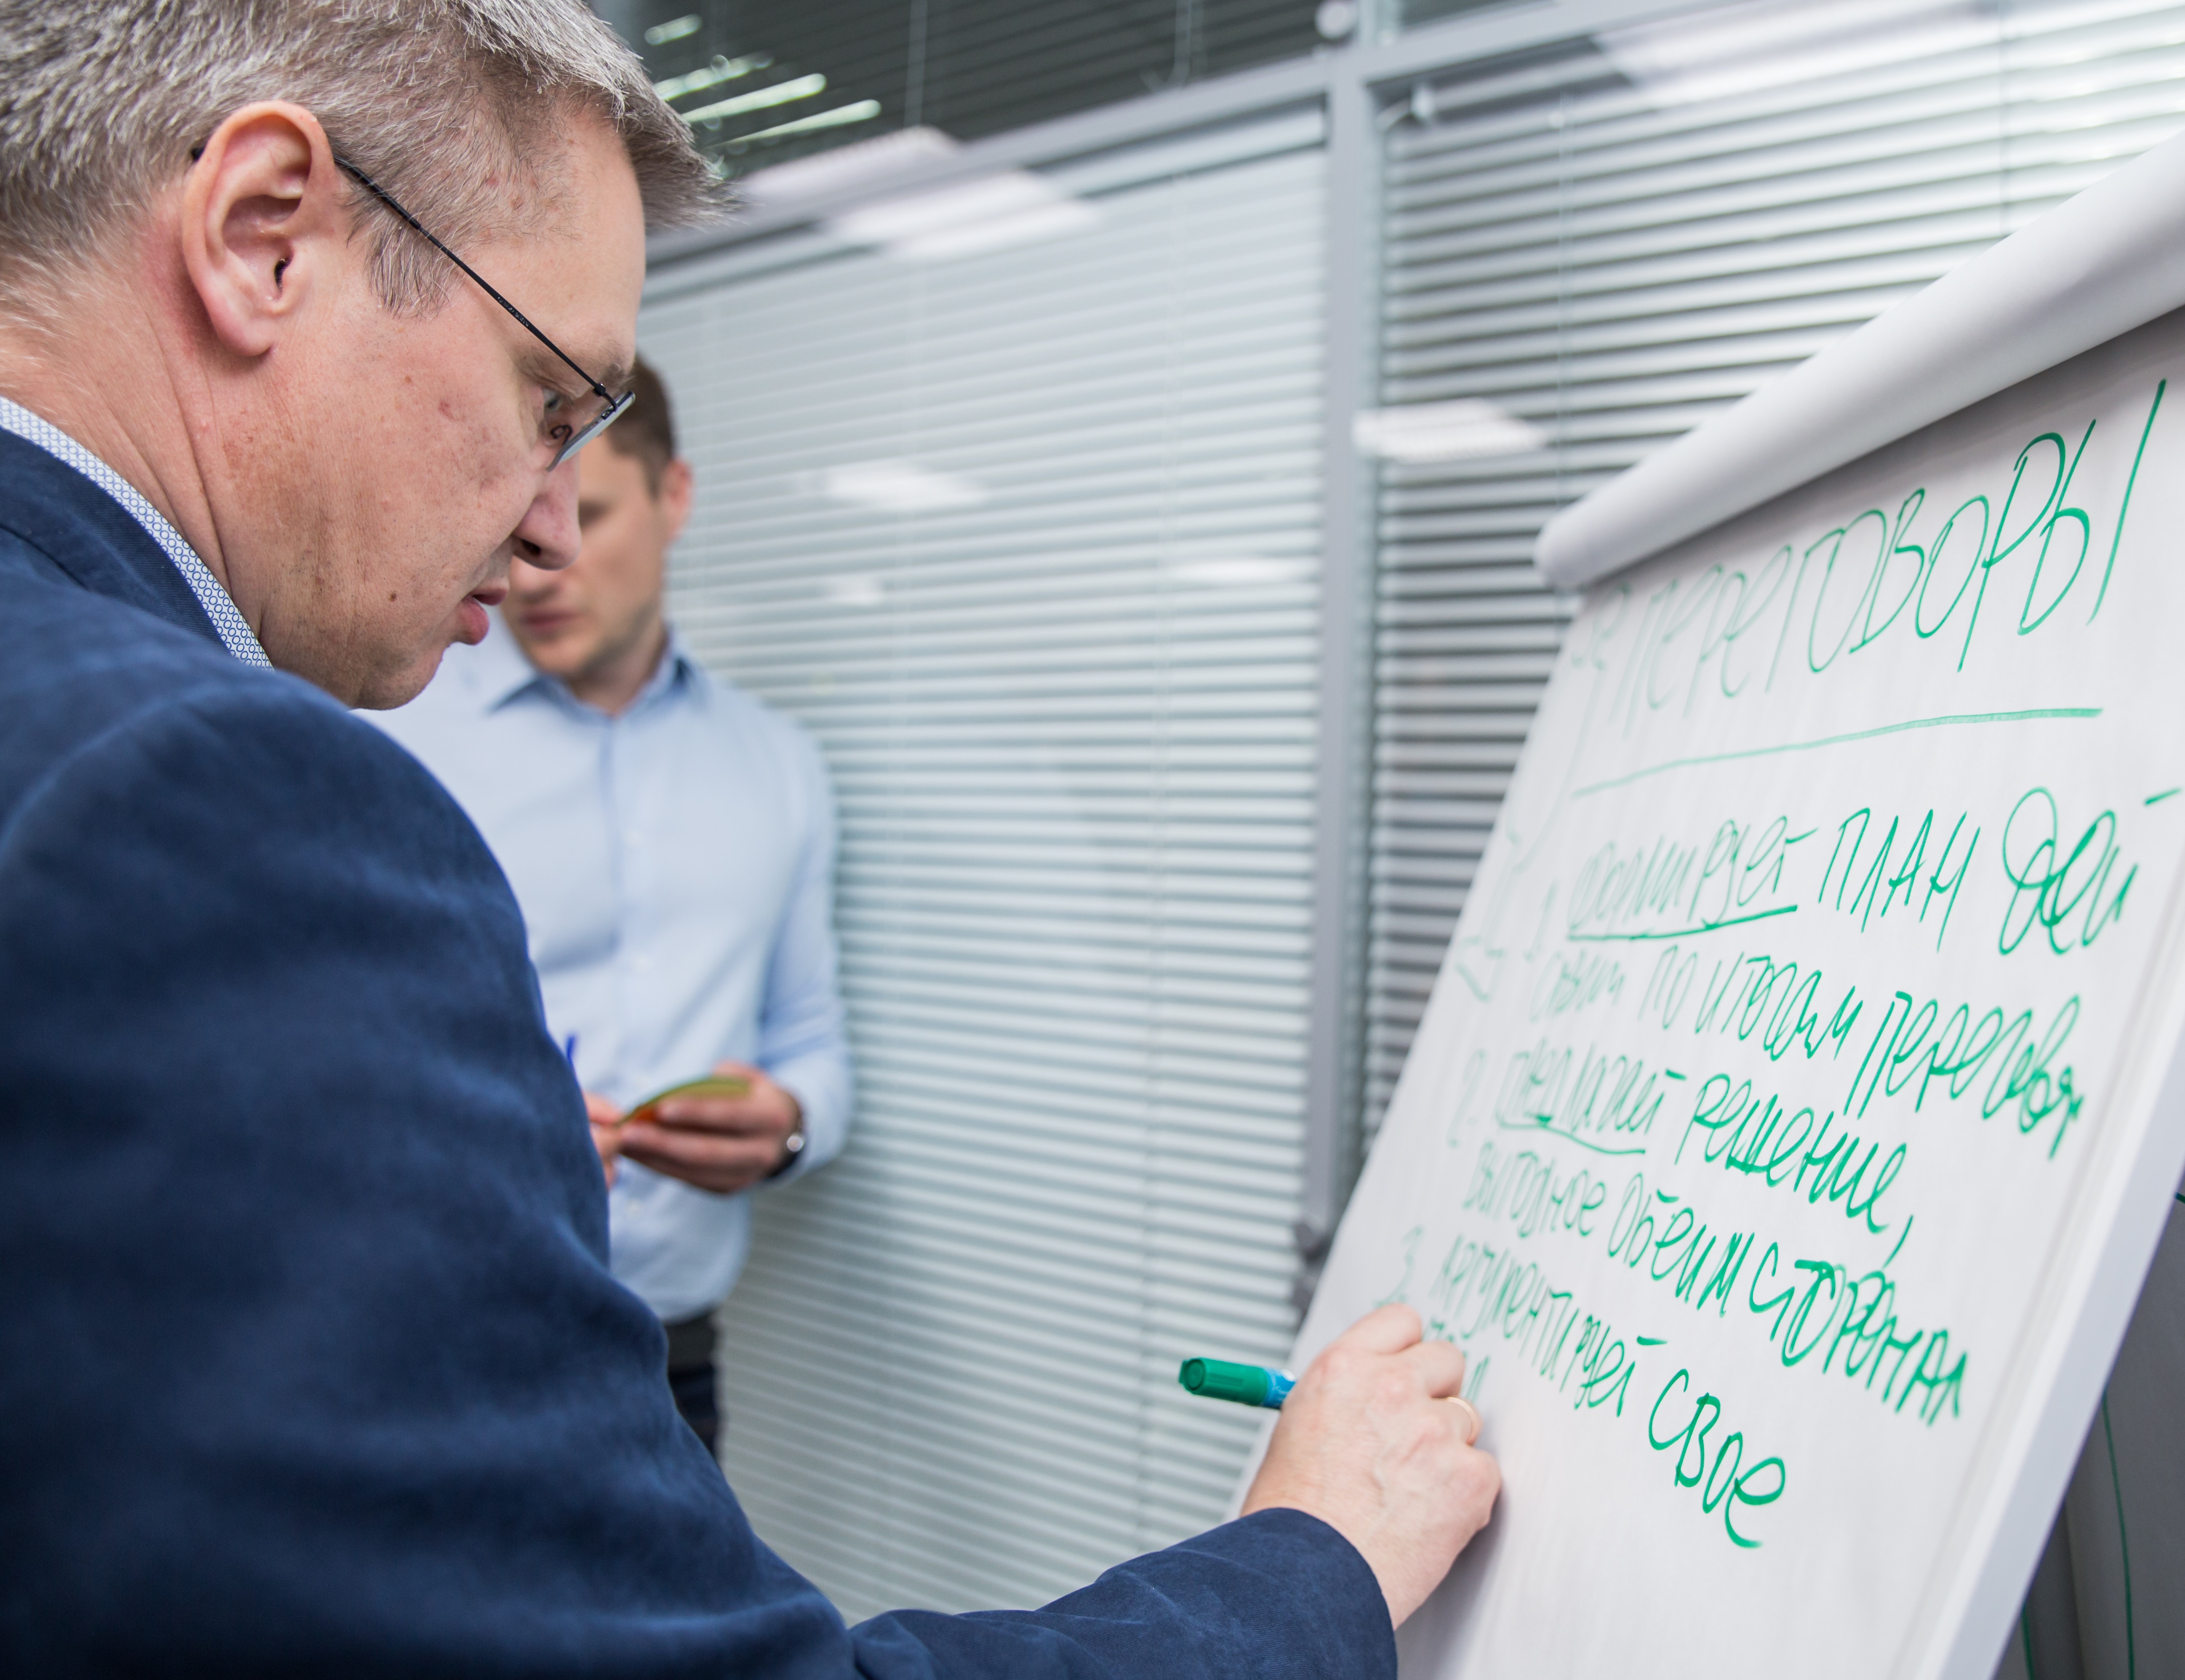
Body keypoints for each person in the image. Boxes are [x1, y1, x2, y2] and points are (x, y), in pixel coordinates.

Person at [0, 2, 1498, 1673]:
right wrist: (1315, 1554)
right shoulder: (221, 791)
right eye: (546, 391)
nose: (548, 510)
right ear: (268, 238)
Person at [368, 357, 841, 1460]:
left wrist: (787, 1130)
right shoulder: (382, 730)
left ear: (674, 499)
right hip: (430, 1347)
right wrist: (474, 1126)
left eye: (595, 499)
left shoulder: (777, 767)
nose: (546, 555)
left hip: (674, 1371)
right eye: (520, 498)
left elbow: (813, 1045)